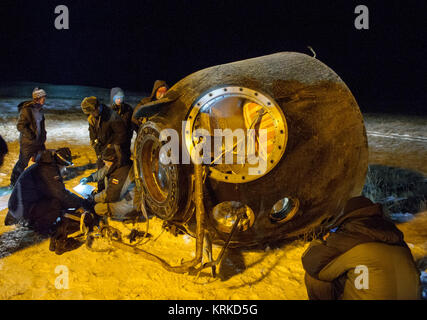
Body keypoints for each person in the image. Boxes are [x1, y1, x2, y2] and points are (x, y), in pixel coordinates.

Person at [301, 196, 421, 300]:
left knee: (318, 276)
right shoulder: (399, 242)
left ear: (348, 215)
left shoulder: (351, 234)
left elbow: (313, 262)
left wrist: (320, 241)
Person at [5, 148, 92, 236]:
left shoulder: (46, 165)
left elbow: (56, 191)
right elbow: (61, 195)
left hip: (19, 206)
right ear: (60, 164)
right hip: (21, 209)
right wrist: (82, 203)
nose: (65, 170)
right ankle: (41, 228)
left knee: (56, 200)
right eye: (64, 167)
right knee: (56, 204)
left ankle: (31, 221)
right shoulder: (48, 170)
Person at [81, 96, 128, 189]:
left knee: (110, 171)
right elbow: (93, 134)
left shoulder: (111, 116)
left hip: (113, 150)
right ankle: (100, 190)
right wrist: (95, 145)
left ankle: (108, 191)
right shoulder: (92, 118)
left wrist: (111, 147)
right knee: (100, 168)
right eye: (89, 113)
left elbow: (122, 134)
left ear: (98, 107)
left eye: (92, 112)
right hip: (101, 149)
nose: (91, 114)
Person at [80, 147, 138, 220]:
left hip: (130, 202)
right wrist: (90, 178)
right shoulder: (117, 163)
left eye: (106, 162)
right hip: (122, 195)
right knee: (98, 200)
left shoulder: (122, 172)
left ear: (112, 160)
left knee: (98, 208)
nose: (105, 164)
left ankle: (128, 215)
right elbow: (103, 171)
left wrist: (94, 198)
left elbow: (111, 195)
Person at [10, 87, 47, 187]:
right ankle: (14, 182)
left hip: (39, 142)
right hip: (28, 143)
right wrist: (31, 135)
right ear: (38, 98)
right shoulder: (27, 110)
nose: (45, 99)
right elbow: (20, 125)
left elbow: (41, 125)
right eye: (43, 97)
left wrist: (43, 135)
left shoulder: (40, 110)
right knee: (23, 163)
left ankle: (40, 180)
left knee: (44, 160)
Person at [110, 87, 137, 160]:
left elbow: (133, 121)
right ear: (113, 98)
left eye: (121, 98)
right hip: (115, 138)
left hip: (126, 136)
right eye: (117, 98)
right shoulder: (110, 110)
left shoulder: (128, 108)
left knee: (126, 154)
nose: (119, 100)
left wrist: (137, 130)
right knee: (116, 155)